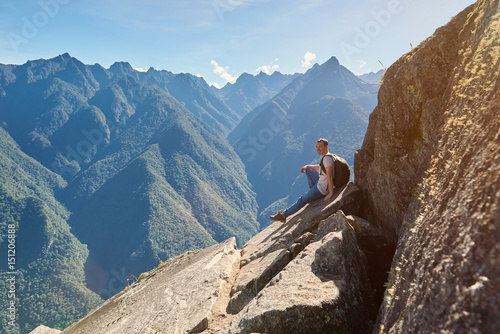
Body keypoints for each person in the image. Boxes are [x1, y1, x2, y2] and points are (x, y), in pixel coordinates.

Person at [270, 138, 336, 223]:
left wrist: (330, 193)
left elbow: (329, 176)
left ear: (326, 147)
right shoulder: (328, 157)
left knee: (302, 200)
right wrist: (308, 166)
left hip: (322, 188)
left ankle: (283, 215)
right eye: (316, 146)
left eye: (320, 146)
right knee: (308, 170)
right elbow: (321, 168)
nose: (318, 148)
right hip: (321, 182)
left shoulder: (327, 159)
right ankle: (313, 196)